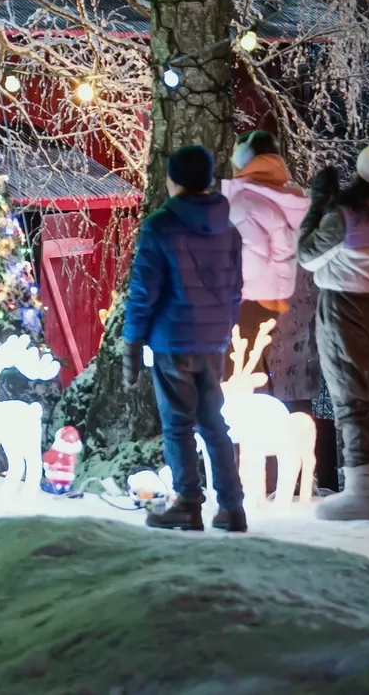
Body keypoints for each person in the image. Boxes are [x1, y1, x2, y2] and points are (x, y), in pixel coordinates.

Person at [121, 144, 247, 532]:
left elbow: (144, 291)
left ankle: (189, 504)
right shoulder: (228, 228)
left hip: (172, 340)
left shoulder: (161, 225)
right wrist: (223, 328)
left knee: (178, 425)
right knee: (213, 423)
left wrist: (131, 341)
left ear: (172, 180)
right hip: (213, 341)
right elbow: (235, 289)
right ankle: (232, 507)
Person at [299, 141, 369, 521]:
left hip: (342, 308)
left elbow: (307, 254)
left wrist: (319, 203)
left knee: (351, 399)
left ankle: (359, 495)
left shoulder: (346, 215)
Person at [221, 131, 311, 387]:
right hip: (268, 296)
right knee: (255, 364)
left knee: (240, 370)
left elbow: (251, 254)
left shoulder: (246, 201)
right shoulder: (272, 193)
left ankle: (247, 425)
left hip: (247, 297)